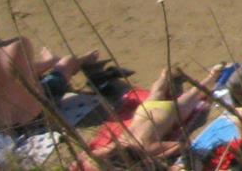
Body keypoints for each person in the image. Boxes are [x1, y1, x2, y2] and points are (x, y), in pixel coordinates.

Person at [0, 18, 101, 131]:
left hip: (8, 127)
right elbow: (28, 73)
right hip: (39, 112)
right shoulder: (20, 43)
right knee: (65, 63)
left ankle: (52, 60)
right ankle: (83, 59)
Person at [82, 66, 212, 165]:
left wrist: (158, 157)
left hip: (167, 114)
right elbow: (93, 155)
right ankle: (164, 75)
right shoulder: (116, 144)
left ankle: (213, 75)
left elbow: (182, 145)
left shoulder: (145, 149)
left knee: (195, 95)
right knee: (157, 92)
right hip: (144, 111)